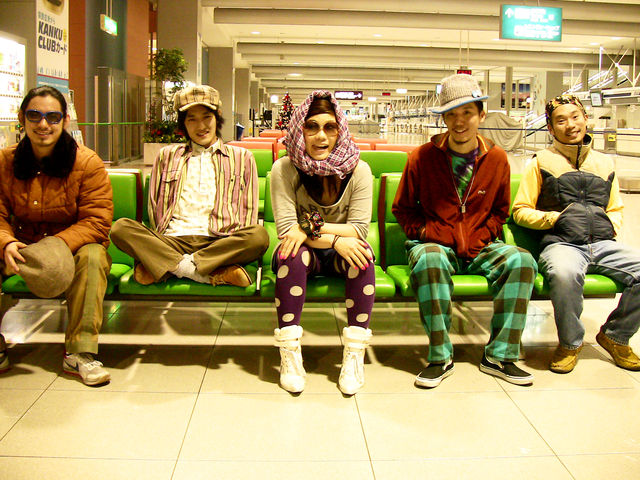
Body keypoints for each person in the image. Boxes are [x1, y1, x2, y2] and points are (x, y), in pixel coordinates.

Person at [392, 74, 537, 388]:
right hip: (435, 242)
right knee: (430, 259)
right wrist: (428, 232)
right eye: (451, 114)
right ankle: (440, 356)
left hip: (480, 245)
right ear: (443, 118)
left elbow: (500, 211)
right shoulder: (422, 158)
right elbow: (402, 209)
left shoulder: (496, 159)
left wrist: (482, 235)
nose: (459, 122)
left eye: (467, 113)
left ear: (481, 114)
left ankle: (500, 355)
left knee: (522, 261)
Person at [512, 94, 640, 373]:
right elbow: (520, 210)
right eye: (561, 120)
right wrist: (555, 218)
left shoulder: (605, 164)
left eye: (575, 117)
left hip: (603, 244)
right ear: (550, 128)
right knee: (565, 275)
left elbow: (616, 207)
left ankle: (616, 335)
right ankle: (570, 344)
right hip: (562, 245)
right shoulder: (540, 162)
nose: (570, 125)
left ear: (585, 119)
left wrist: (610, 225)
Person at [0, 86, 113, 386]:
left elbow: (97, 221)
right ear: (22, 118)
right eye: (34, 115)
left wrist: (54, 248)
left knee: (93, 257)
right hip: (20, 243)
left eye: (52, 117)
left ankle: (79, 352)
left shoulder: (86, 162)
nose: (43, 124)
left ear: (65, 120)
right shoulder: (5, 161)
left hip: (72, 245)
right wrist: (6, 242)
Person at [110, 85, 269, 288]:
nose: (200, 126)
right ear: (183, 123)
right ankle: (204, 273)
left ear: (217, 117)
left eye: (206, 117)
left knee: (258, 236)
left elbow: (249, 211)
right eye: (191, 119)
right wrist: (158, 243)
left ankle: (168, 268)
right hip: (172, 241)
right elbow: (154, 206)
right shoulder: (167, 156)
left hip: (219, 242)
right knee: (121, 228)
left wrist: (232, 243)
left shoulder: (242, 157)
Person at [270, 90, 375, 395]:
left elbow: (358, 230)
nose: (320, 136)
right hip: (304, 254)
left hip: (338, 251)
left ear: (340, 131)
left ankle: (354, 353)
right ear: (299, 130)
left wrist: (310, 227)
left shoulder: (359, 170)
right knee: (291, 254)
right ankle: (289, 353)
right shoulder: (284, 169)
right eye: (311, 127)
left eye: (330, 127)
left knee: (362, 256)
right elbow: (287, 231)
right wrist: (335, 239)